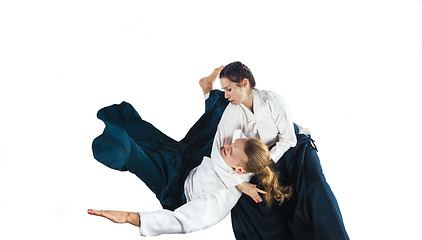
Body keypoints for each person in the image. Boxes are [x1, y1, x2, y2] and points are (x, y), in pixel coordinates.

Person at [199, 61, 349, 240]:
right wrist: (239, 183)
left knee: (315, 186)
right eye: (224, 90)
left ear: (245, 83)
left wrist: (261, 163)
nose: (226, 95)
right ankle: (207, 91)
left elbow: (289, 140)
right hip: (263, 156)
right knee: (251, 201)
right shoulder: (233, 111)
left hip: (294, 150)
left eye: (229, 89)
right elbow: (217, 151)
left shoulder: (273, 102)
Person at [89, 135, 292, 236]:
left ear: (241, 170)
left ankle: (112, 146)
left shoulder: (217, 200)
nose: (225, 147)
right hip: (187, 166)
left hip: (174, 192)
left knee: (130, 153)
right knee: (150, 139)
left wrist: (127, 217)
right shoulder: (239, 161)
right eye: (231, 145)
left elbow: (179, 221)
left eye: (229, 151)